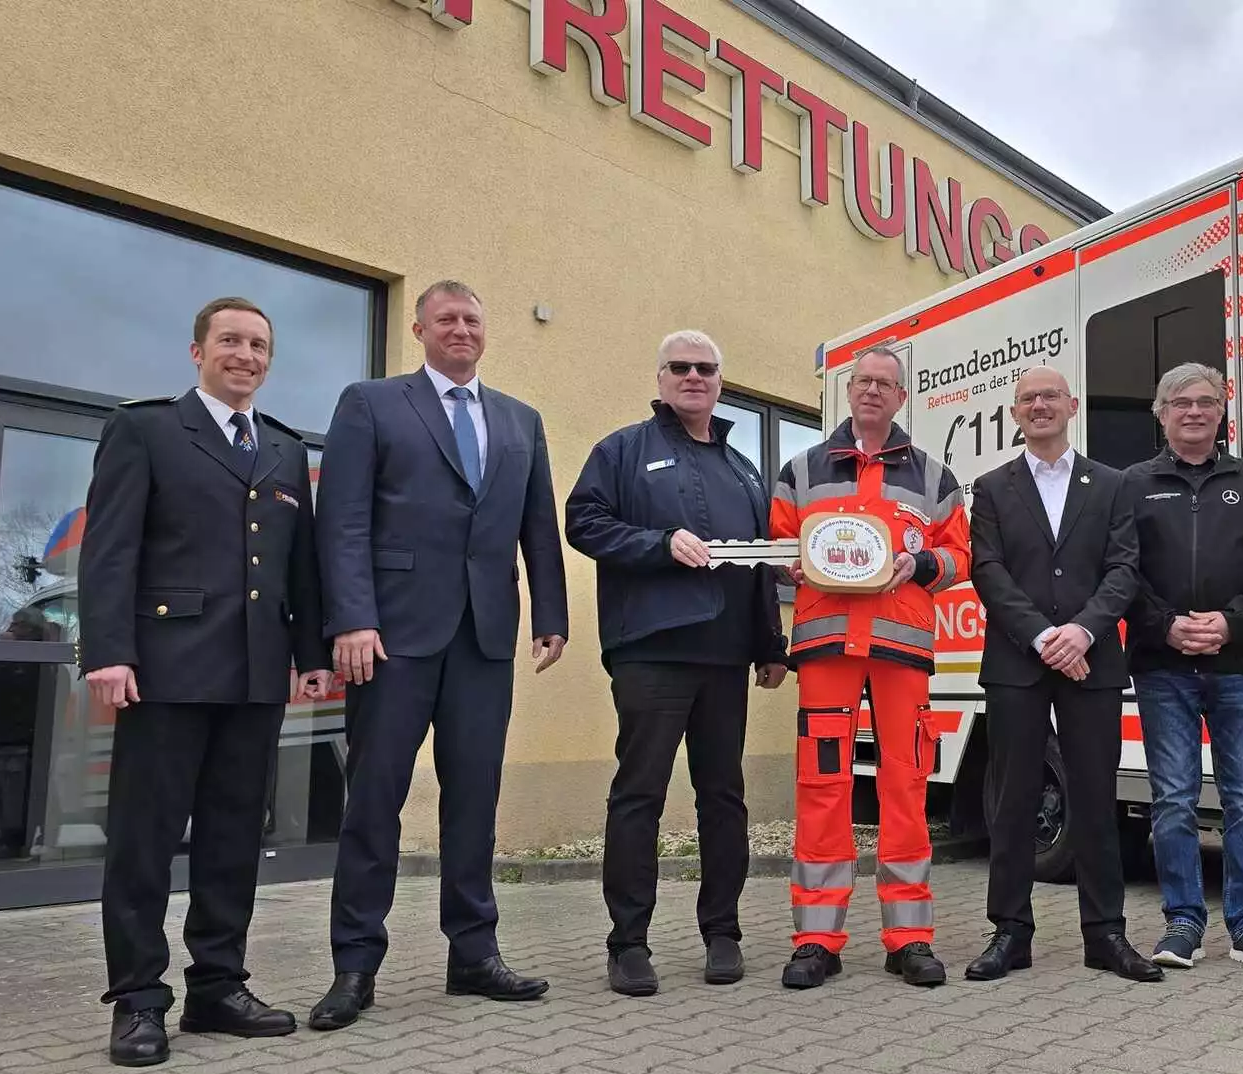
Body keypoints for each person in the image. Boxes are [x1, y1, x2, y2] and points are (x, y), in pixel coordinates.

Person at [307, 280, 570, 1030]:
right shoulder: (372, 404)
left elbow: (537, 526)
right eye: (446, 319)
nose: (460, 329)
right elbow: (344, 521)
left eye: (472, 320)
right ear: (418, 328)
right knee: (375, 803)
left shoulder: (520, 420)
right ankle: (355, 965)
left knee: (474, 801)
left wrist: (549, 612)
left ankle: (473, 954)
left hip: (485, 638)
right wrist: (351, 619)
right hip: (392, 638)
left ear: (486, 332)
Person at [79, 297, 332, 1067]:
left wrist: (311, 651)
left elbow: (300, 565)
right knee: (144, 840)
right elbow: (110, 549)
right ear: (197, 352)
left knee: (230, 840)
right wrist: (108, 652)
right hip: (165, 668)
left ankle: (218, 986)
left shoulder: (285, 450)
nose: (246, 355)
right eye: (230, 340)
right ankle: (138, 999)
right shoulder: (147, 428)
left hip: (255, 674)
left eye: (259, 345)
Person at [563, 330, 790, 996]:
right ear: (661, 376)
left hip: (726, 662)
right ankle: (628, 944)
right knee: (640, 797)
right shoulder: (624, 450)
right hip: (652, 655)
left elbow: (759, 566)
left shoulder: (744, 468)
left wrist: (770, 646)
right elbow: (583, 521)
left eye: (707, 368)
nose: (694, 376)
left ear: (721, 382)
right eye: (680, 367)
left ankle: (723, 932)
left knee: (725, 799)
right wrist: (660, 543)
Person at [769, 345, 969, 990]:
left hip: (901, 649)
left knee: (905, 786)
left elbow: (960, 557)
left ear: (901, 397)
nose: (874, 391)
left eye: (886, 383)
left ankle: (908, 937)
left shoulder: (935, 478)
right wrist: (787, 563)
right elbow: (775, 544)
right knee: (822, 787)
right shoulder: (799, 469)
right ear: (848, 392)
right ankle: (816, 940)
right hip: (826, 646)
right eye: (864, 381)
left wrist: (925, 565)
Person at [963, 365, 1160, 983]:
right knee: (1014, 798)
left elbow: (1125, 568)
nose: (1040, 405)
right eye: (1028, 399)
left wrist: (1082, 631)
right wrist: (1045, 635)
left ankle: (1105, 935)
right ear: (1015, 414)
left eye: (1050, 395)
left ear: (1072, 405)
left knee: (1097, 798)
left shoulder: (1111, 484)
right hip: (1018, 663)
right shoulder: (992, 487)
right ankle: (1010, 933)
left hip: (1092, 660)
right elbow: (988, 571)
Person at [1125, 363, 1243, 974]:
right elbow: (1123, 570)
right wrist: (1164, 624)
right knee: (1172, 799)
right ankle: (1183, 923)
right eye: (1180, 402)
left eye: (1205, 402)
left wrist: (1232, 622)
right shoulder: (1134, 484)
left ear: (1223, 410)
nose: (1193, 411)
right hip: (1161, 665)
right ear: (1160, 411)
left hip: (1240, 663)